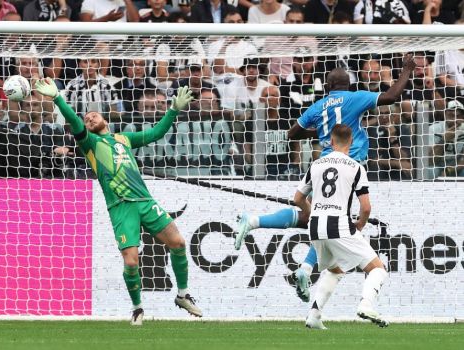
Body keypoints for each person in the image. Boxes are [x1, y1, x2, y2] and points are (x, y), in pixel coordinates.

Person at [234, 54, 416, 303]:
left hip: (321, 166)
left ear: (328, 87)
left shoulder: (319, 106)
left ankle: (263, 228)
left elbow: (292, 133)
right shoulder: (356, 97)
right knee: (330, 220)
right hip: (348, 166)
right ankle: (304, 268)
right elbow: (391, 96)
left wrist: (320, 130)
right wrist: (406, 70)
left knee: (315, 218)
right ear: (349, 85)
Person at [34, 78, 202, 325]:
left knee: (177, 243)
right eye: (87, 119)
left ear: (105, 119)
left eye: (93, 115)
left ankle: (183, 294)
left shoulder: (124, 139)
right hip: (121, 206)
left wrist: (173, 109)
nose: (90, 119)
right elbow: (74, 121)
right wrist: (58, 98)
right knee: (132, 261)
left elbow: (155, 133)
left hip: (144, 200)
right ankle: (137, 308)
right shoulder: (90, 144)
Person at [295, 124, 388, 329]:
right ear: (352, 142)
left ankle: (314, 315)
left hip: (315, 226)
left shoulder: (316, 164)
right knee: (378, 269)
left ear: (330, 141)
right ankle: (366, 305)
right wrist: (360, 226)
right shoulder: (356, 167)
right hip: (339, 225)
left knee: (335, 270)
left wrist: (312, 212)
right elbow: (365, 207)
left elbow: (298, 198)